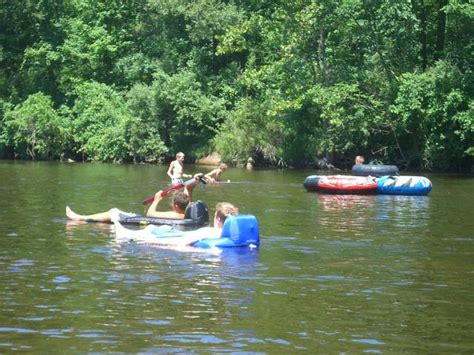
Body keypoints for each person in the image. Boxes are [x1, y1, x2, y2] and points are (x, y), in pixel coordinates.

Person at [66, 175, 201, 222]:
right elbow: (188, 190)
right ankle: (84, 219)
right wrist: (194, 181)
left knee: (113, 211)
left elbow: (150, 214)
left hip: (140, 221)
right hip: (143, 221)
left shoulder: (175, 215)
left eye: (172, 203)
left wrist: (156, 199)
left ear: (176, 206)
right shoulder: (187, 212)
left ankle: (79, 218)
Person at [113, 202, 239, 246]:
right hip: (179, 234)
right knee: (163, 227)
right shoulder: (235, 235)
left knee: (151, 228)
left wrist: (151, 242)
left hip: (177, 237)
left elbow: (182, 243)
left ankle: (124, 234)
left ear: (217, 218)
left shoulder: (209, 231)